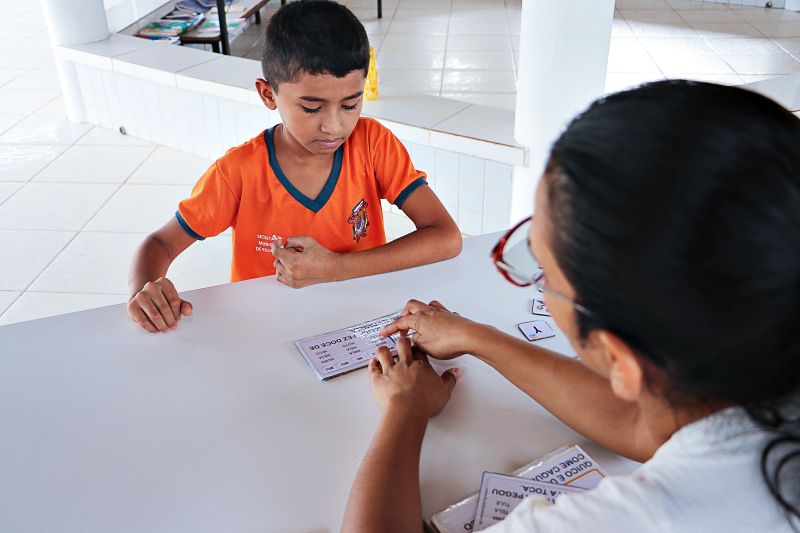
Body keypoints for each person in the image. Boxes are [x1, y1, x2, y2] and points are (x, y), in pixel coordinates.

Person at [342, 81, 800, 532]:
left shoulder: (645, 517)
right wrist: (477, 337)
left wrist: (405, 408)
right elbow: (651, 428)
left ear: (620, 361)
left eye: (542, 270)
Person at [127, 0, 461, 333]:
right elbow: (160, 244)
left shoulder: (373, 144)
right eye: (312, 108)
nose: (334, 126)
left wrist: (337, 268)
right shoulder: (238, 172)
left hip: (358, 323)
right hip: (267, 332)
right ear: (268, 94)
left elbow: (445, 237)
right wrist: (145, 289)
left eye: (350, 104)